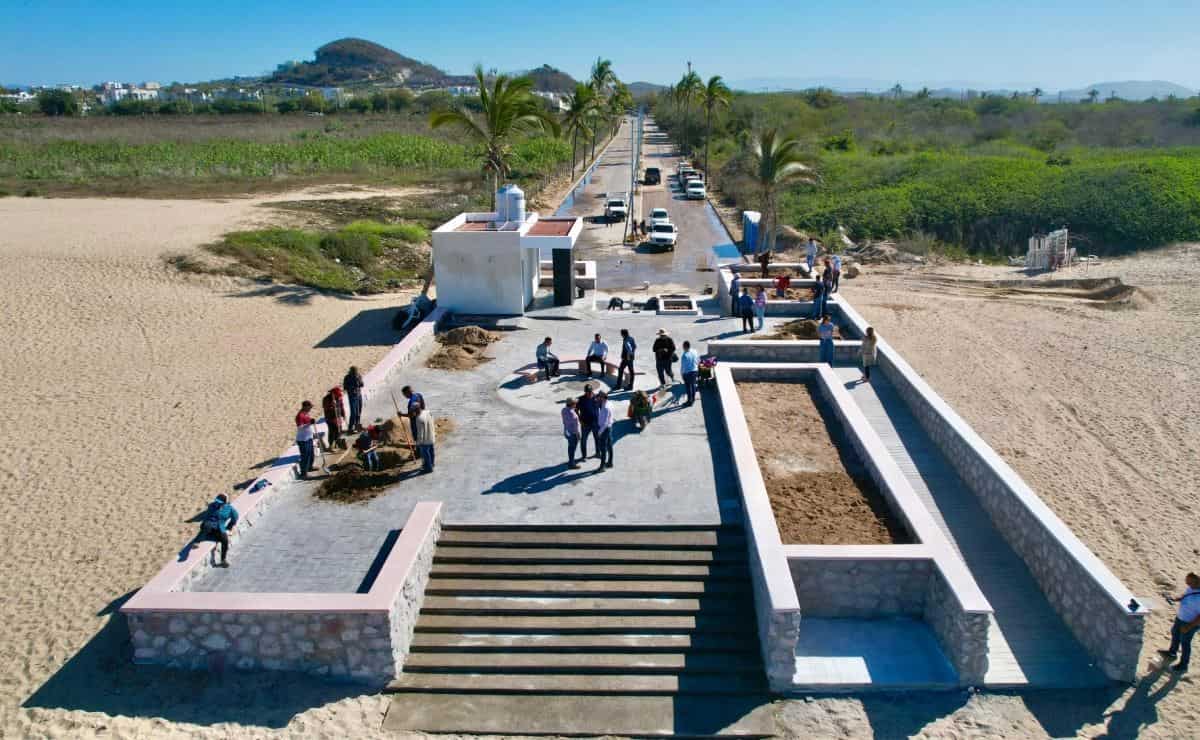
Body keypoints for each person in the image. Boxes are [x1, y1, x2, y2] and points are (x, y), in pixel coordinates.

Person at [1158, 573, 1200, 673]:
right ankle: (1172, 652)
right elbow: (1185, 595)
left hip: (1189, 623)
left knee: (1185, 643)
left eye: (1189, 582)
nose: (1187, 584)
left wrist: (1189, 626)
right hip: (1180, 618)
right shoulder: (1192, 588)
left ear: (1196, 582)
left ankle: (1183, 665)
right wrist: (1175, 599)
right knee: (1175, 634)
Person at [199, 493, 238, 567]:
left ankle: (223, 560)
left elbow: (235, 517)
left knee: (225, 541)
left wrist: (229, 527)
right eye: (217, 501)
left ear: (225, 503)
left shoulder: (229, 509)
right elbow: (206, 518)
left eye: (219, 502)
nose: (217, 503)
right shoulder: (212, 506)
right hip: (210, 528)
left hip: (219, 529)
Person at [577, 384, 601, 458]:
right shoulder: (581, 399)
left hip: (596, 423)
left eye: (590, 391)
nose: (589, 393)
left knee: (597, 439)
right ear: (585, 392)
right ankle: (584, 456)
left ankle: (598, 453)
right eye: (587, 392)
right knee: (583, 440)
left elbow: (602, 408)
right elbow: (575, 410)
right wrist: (580, 420)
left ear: (592, 391)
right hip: (585, 424)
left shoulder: (597, 398)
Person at [295, 400, 316, 479]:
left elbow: (308, 423)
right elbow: (300, 427)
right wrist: (309, 423)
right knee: (305, 456)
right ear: (305, 406)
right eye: (309, 407)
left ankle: (310, 467)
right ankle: (304, 473)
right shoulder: (299, 416)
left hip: (309, 437)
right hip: (303, 439)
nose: (310, 409)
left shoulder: (306, 413)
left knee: (311, 454)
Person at [412, 406, 436, 473]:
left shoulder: (419, 418)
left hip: (424, 441)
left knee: (426, 454)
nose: (413, 413)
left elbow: (420, 433)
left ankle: (428, 468)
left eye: (413, 411)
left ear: (416, 411)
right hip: (431, 436)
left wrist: (419, 443)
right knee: (431, 451)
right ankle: (432, 464)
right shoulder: (427, 412)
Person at [595, 391, 614, 469]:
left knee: (603, 448)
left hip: (604, 429)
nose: (597, 398)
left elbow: (605, 423)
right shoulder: (609, 403)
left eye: (599, 397)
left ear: (602, 398)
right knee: (609, 445)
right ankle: (610, 462)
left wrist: (599, 432)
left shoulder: (605, 408)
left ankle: (602, 467)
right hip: (609, 427)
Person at [342, 366, 364, 432]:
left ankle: (357, 425)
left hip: (359, 395)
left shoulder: (358, 376)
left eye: (356, 372)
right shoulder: (347, 377)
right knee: (353, 412)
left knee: (359, 411)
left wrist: (358, 381)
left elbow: (362, 384)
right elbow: (345, 387)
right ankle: (350, 427)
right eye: (354, 372)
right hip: (352, 397)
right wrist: (352, 387)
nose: (355, 373)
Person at [562, 398, 582, 468]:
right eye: (575, 403)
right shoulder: (574, 415)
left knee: (570, 447)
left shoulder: (563, 410)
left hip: (567, 432)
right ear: (572, 404)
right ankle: (572, 463)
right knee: (572, 448)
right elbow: (576, 429)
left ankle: (570, 460)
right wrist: (579, 436)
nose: (576, 404)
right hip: (573, 434)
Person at [679, 341, 700, 406]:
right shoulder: (694, 351)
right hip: (695, 371)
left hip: (688, 373)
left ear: (684, 347)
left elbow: (683, 367)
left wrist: (682, 374)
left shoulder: (684, 355)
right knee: (693, 386)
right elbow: (698, 360)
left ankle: (689, 401)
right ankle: (693, 399)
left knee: (688, 387)